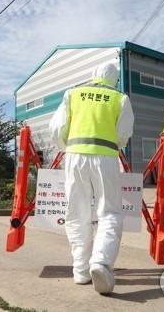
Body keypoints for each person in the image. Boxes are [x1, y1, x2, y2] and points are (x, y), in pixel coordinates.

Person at [49, 62, 134, 294]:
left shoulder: (73, 93)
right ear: (114, 79)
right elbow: (123, 133)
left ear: (93, 75)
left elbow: (57, 128)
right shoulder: (120, 98)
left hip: (75, 156)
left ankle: (81, 272)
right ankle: (101, 262)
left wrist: (68, 148)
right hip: (105, 158)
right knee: (110, 212)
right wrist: (114, 145)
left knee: (77, 213)